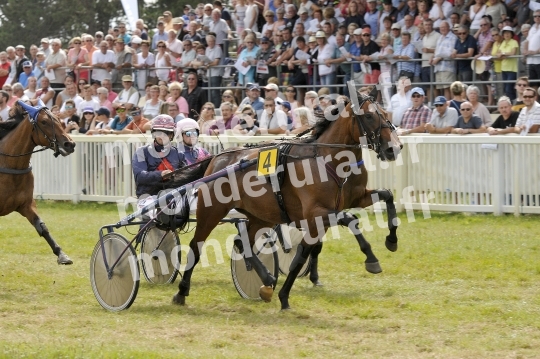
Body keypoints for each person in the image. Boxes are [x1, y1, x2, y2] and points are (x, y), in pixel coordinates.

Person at [132, 115, 186, 212]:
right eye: (159, 132)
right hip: (147, 197)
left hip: (172, 196)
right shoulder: (141, 152)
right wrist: (160, 175)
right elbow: (140, 176)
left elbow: (186, 177)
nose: (163, 136)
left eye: (167, 133)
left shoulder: (179, 154)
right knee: (155, 211)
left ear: (172, 135)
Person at [431, 21, 457, 99]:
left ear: (448, 27)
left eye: (444, 27)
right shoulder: (440, 38)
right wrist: (433, 57)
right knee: (440, 88)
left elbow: (451, 52)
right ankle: (443, 106)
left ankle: (451, 106)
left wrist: (439, 58)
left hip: (447, 67)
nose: (442, 29)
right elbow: (437, 51)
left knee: (449, 88)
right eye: (441, 27)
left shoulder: (453, 37)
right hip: (438, 67)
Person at [497, 26, 519, 101]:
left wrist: (503, 53)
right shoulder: (503, 42)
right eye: (505, 33)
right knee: (506, 89)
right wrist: (503, 54)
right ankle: (511, 105)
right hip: (504, 69)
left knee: (509, 89)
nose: (506, 34)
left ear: (511, 34)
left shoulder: (514, 42)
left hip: (512, 69)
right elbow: (498, 54)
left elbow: (513, 53)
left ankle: (513, 106)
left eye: (508, 33)